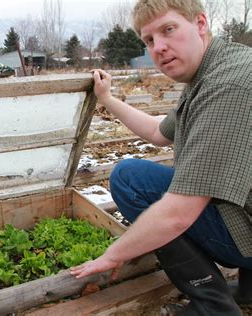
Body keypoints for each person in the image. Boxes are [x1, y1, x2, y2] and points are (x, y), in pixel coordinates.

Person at [70, 0, 251, 314]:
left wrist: (114, 254)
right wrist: (107, 99)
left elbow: (178, 213)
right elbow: (158, 132)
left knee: (130, 179)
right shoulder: (219, 66)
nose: (159, 48)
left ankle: (214, 306)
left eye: (169, 30)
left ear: (200, 23)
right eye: (149, 40)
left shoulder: (228, 86)